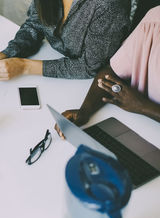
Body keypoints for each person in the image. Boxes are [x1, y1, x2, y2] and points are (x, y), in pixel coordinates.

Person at [56, 5, 160, 139]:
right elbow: (112, 72)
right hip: (139, 127)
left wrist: (143, 106)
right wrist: (85, 111)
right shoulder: (155, 18)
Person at [0, 0, 131, 80]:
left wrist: (23, 66)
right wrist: (8, 53)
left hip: (95, 87)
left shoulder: (108, 5)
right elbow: (35, 25)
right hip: (58, 81)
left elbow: (90, 67)